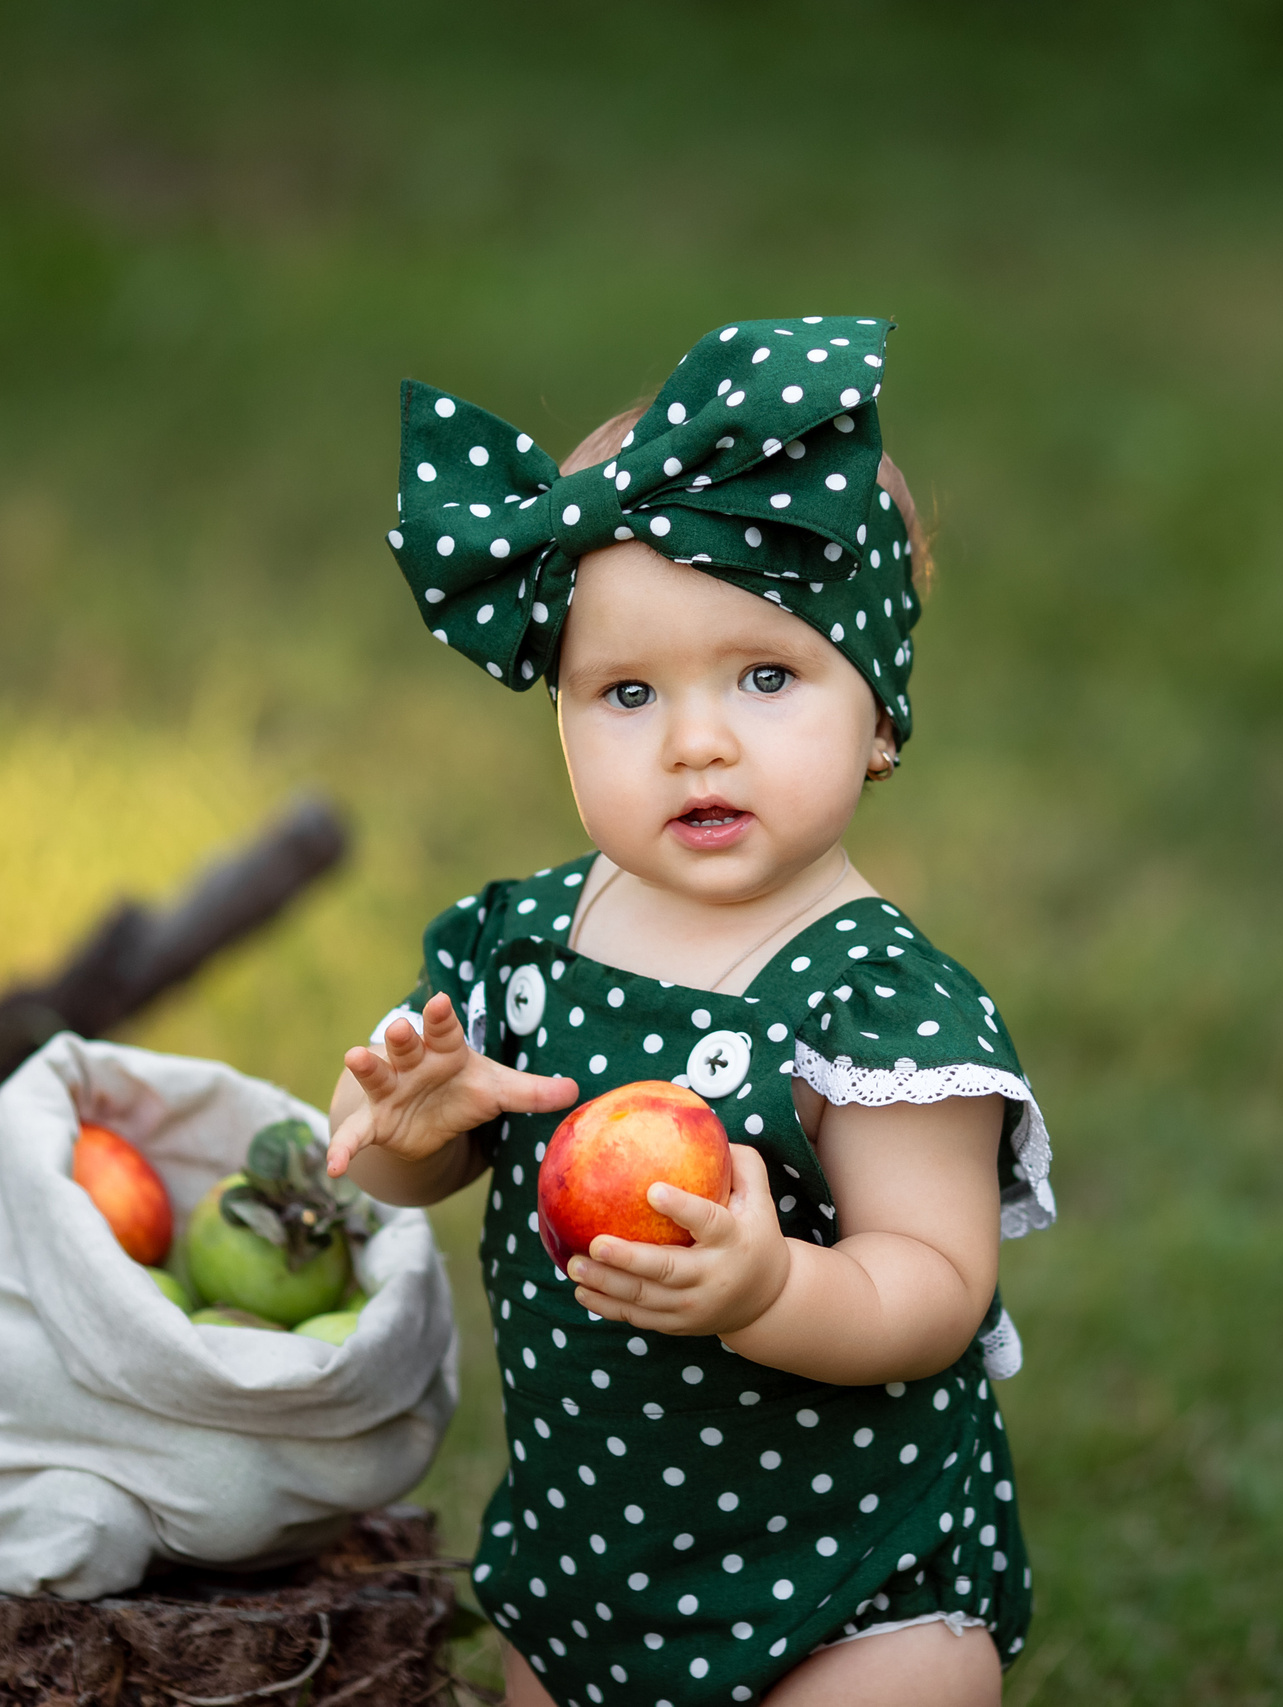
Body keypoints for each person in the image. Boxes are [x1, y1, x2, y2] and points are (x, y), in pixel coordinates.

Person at [327, 318, 1056, 1707]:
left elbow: (935, 1290)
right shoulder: (523, 939)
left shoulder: (878, 1002)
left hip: (852, 1588)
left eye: (768, 677)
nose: (696, 739)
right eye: (627, 692)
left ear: (881, 716)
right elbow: (403, 1162)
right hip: (591, 1563)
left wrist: (772, 1289)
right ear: (559, 714)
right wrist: (406, 1120)